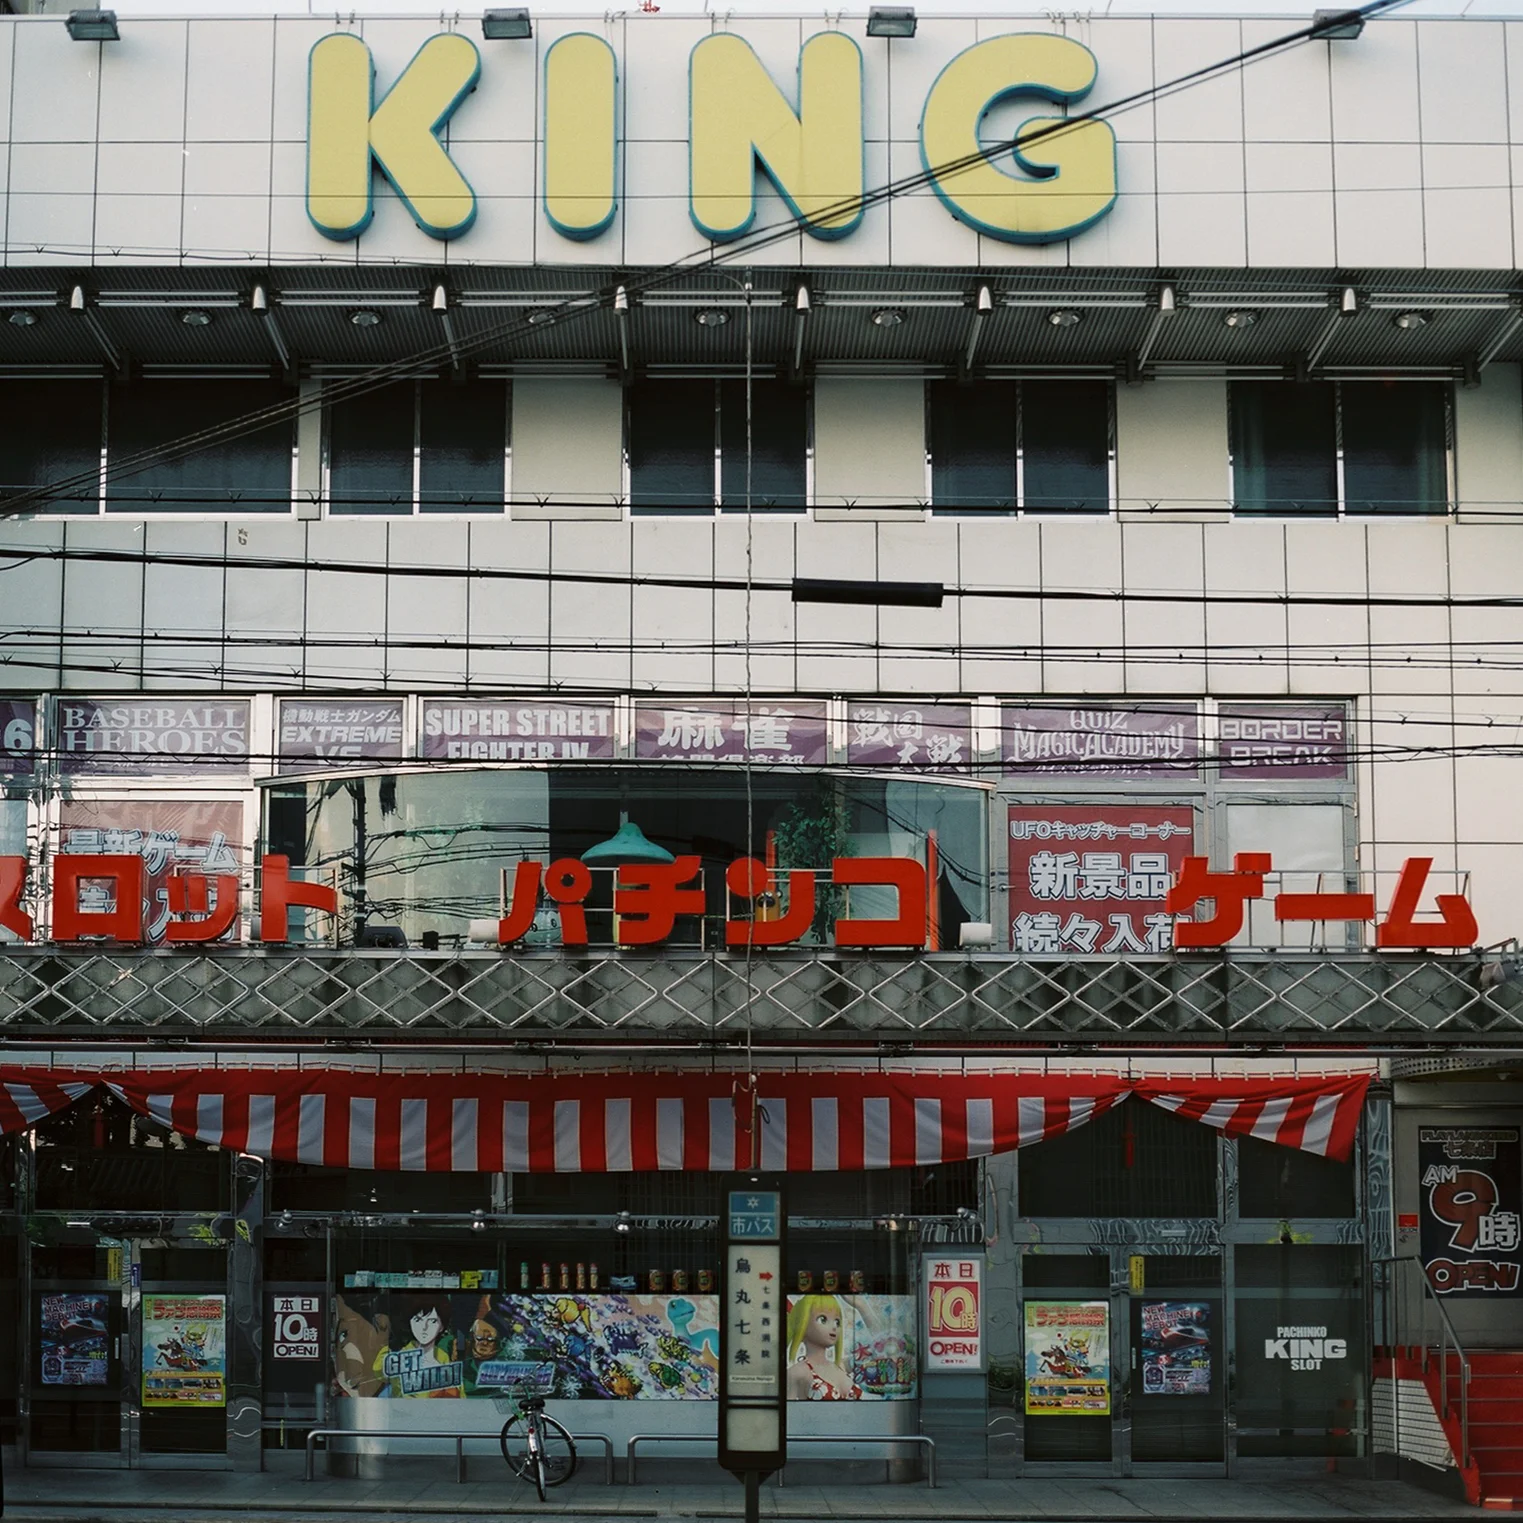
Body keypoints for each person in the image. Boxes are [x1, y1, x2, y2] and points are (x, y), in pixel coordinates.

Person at [785, 1293, 861, 1400]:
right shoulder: (797, 1373)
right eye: (823, 1319)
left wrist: (861, 1306)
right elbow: (789, 1413)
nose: (834, 1327)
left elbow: (880, 1348)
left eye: (837, 1322)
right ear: (802, 1325)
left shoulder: (841, 1366)